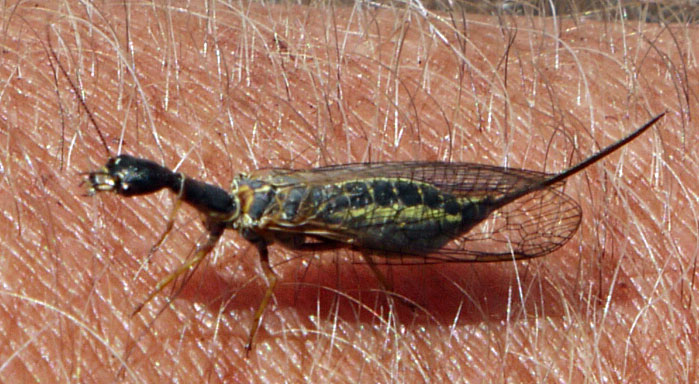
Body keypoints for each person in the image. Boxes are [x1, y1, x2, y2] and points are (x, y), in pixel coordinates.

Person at [1, 2, 689, 382]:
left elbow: (268, 280)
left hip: (406, 220)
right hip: (361, 207)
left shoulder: (251, 212)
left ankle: (458, 229)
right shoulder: (244, 195)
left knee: (342, 251)